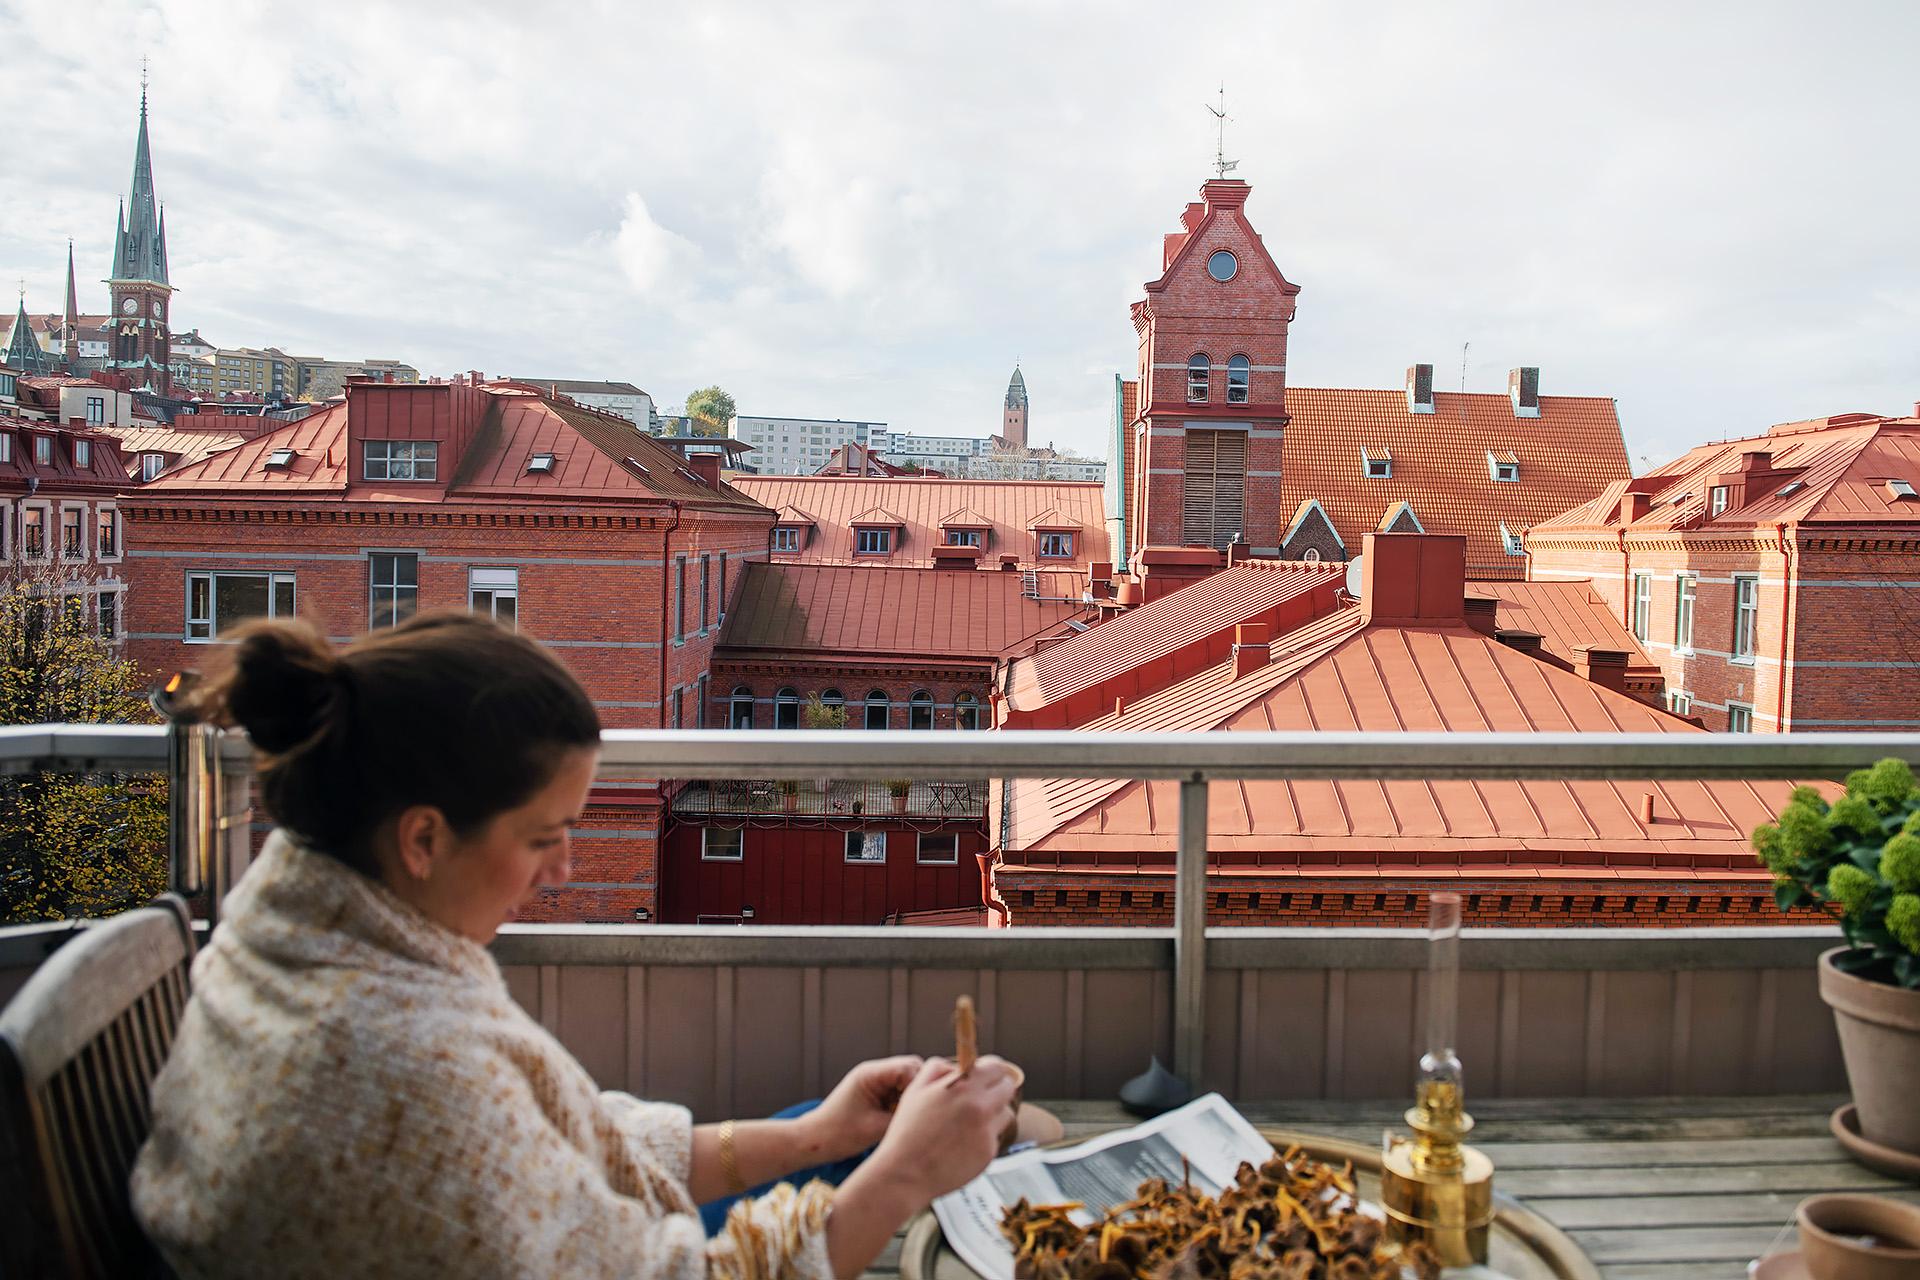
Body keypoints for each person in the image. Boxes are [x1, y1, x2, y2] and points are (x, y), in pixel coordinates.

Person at [132, 614, 1020, 1279]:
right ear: (423, 840)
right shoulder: (392, 1073)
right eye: (543, 834)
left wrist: (821, 1134)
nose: (562, 868)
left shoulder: (302, 930)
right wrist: (905, 1177)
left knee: (854, 1144)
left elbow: (545, 1151)